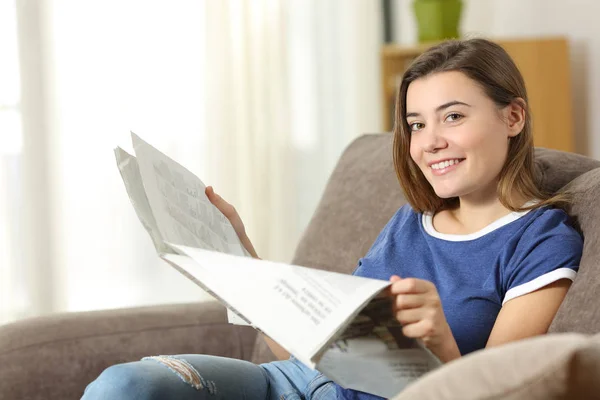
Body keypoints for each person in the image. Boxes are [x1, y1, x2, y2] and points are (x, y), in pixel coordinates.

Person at [81, 38, 582, 400]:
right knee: (126, 386)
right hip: (292, 383)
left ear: (513, 117)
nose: (429, 143)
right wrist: (240, 265)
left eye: (452, 116)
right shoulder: (411, 221)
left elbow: (499, 392)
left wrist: (440, 343)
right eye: (416, 124)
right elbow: (312, 349)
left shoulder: (541, 240)